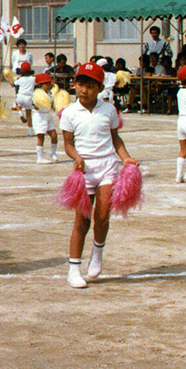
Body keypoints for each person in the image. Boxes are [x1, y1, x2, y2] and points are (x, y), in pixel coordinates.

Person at [60, 62, 138, 288]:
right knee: (81, 220)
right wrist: (76, 158)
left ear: (100, 87)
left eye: (91, 86)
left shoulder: (109, 110)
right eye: (81, 85)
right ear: (74, 85)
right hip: (83, 171)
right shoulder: (69, 112)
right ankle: (74, 269)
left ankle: (97, 252)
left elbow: (116, 139)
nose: (85, 91)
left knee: (103, 215)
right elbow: (67, 144)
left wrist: (127, 159)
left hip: (107, 167)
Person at [33, 73, 59, 164]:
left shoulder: (50, 93)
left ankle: (53, 154)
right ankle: (40, 157)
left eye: (49, 83)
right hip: (40, 116)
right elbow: (35, 105)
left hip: (48, 115)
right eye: (46, 83)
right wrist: (36, 105)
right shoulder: (36, 94)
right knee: (41, 137)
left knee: (54, 135)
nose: (49, 85)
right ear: (41, 85)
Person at [10, 62, 36, 136]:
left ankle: (20, 113)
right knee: (29, 115)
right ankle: (30, 132)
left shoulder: (20, 79)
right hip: (29, 97)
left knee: (17, 104)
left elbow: (13, 84)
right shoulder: (33, 79)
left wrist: (9, 77)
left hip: (20, 96)